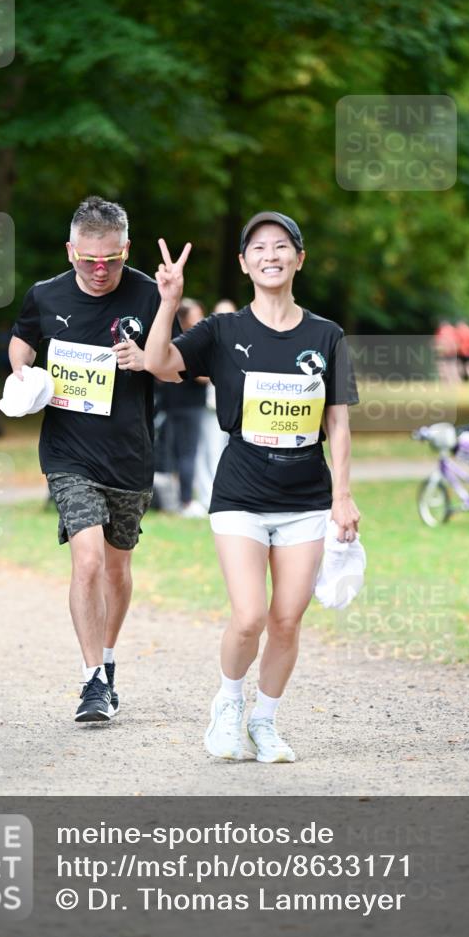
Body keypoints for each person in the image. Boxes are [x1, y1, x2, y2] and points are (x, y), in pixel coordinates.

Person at [145, 211, 360, 763]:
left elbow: (336, 418)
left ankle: (264, 722)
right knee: (250, 616)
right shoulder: (223, 332)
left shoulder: (326, 336)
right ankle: (228, 703)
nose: (271, 254)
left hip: (307, 497)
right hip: (240, 493)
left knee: (287, 619)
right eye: (259, 247)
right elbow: (157, 362)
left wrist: (342, 494)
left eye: (282, 245)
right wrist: (169, 301)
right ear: (244, 263)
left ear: (299, 258)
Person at [8, 196, 186, 724]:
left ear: (125, 249)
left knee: (116, 566)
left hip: (129, 452)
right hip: (67, 451)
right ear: (70, 252)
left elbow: (176, 370)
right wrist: (22, 372)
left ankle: (107, 662)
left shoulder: (150, 294)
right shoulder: (46, 295)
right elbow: (21, 343)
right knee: (86, 559)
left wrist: (147, 359)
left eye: (110, 259)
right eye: (88, 260)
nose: (100, 269)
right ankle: (90, 683)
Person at [156, 298, 208, 517]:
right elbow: (204, 377)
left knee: (175, 454)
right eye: (197, 315)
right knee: (187, 453)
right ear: (186, 319)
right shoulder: (193, 344)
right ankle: (186, 501)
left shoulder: (170, 340)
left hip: (171, 406)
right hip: (189, 406)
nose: (201, 319)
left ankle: (174, 500)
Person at [193, 299, 237, 510]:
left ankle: (221, 495)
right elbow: (196, 370)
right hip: (210, 405)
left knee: (223, 452)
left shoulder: (242, 339)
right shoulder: (210, 337)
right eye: (220, 313)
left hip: (236, 408)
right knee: (207, 452)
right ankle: (207, 497)